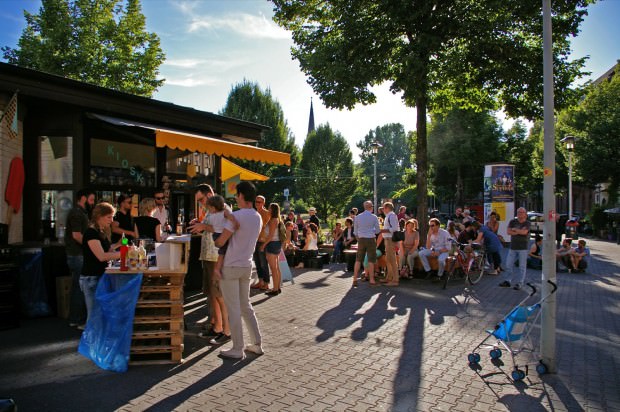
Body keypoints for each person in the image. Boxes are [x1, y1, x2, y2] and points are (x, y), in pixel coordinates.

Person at [213, 181, 264, 359]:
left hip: (231, 264)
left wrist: (214, 236)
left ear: (241, 196)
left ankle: (237, 348)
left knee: (233, 308)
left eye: (237, 195)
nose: (235, 197)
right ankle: (257, 343)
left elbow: (221, 241)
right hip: (247, 265)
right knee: (245, 305)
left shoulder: (237, 216)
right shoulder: (258, 217)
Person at [81, 202, 121, 323]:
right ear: (99, 216)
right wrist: (123, 254)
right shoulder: (91, 233)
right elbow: (101, 256)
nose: (111, 220)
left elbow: (106, 251)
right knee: (94, 315)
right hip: (91, 277)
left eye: (112, 217)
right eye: (109, 217)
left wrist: (119, 246)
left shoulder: (100, 232)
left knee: (101, 315)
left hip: (99, 276)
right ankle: (91, 341)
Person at [65, 188, 95, 329]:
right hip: (77, 255)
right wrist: (91, 245)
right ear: (83, 198)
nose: (92, 202)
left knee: (81, 286)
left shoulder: (81, 212)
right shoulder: (77, 213)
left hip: (78, 254)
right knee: (80, 287)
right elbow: (76, 235)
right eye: (91, 199)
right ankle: (77, 319)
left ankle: (78, 318)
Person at [499, 207, 530, 290]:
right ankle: (508, 281)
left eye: (521, 212)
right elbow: (508, 232)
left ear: (525, 214)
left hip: (523, 247)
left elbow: (524, 232)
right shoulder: (512, 222)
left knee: (522, 266)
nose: (520, 214)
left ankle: (520, 283)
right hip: (513, 247)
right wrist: (519, 231)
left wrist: (515, 230)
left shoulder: (527, 223)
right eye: (518, 212)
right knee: (508, 264)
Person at [352, 201, 381, 287]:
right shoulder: (374, 217)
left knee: (358, 259)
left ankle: (354, 278)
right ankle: (371, 279)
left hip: (361, 239)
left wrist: (359, 238)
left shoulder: (358, 217)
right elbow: (378, 230)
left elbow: (355, 232)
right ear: (371, 207)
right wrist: (371, 231)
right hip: (371, 239)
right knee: (371, 260)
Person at [260, 203, 284, 296]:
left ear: (273, 210)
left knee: (273, 268)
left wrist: (263, 245)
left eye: (269, 208)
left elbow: (270, 236)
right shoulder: (276, 219)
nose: (268, 209)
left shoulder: (273, 220)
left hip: (272, 244)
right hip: (275, 244)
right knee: (276, 267)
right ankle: (277, 287)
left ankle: (275, 289)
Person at [252, 195, 271, 291]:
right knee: (257, 263)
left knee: (263, 263)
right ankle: (260, 281)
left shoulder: (267, 213)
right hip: (255, 240)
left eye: (259, 202)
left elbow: (266, 227)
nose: (257, 204)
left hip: (263, 241)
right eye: (256, 202)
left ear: (263, 203)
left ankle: (266, 283)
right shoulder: (254, 213)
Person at [380, 201, 399, 286]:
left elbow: (394, 228)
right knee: (388, 259)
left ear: (387, 208)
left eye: (384, 208)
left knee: (392, 259)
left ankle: (395, 280)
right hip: (387, 239)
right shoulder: (389, 216)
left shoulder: (392, 215)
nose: (383, 210)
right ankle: (389, 277)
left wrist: (382, 230)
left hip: (390, 239)